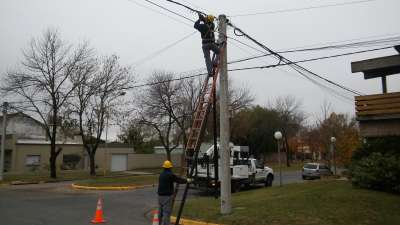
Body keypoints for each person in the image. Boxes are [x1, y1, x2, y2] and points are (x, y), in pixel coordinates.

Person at [157, 160, 191, 225]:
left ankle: (159, 223)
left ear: (164, 167)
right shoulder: (170, 175)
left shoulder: (161, 174)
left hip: (160, 196)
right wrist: (187, 180)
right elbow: (179, 180)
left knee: (160, 212)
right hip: (167, 196)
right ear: (170, 167)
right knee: (166, 213)